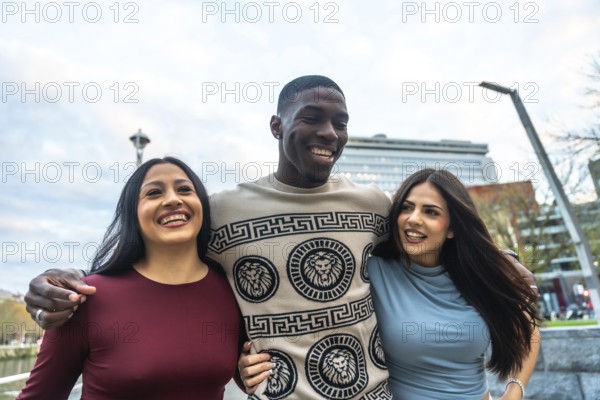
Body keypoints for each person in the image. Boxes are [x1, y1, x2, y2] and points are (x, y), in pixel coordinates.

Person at [24, 75, 535, 399]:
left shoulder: (374, 205)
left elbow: (435, 241)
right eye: (312, 118)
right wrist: (57, 283)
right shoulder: (220, 212)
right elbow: (158, 273)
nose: (329, 133)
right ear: (276, 125)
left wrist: (502, 258)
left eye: (340, 122)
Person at [18, 157, 244, 400]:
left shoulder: (232, 289)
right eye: (154, 192)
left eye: (184, 189)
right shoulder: (85, 298)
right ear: (132, 214)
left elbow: (247, 371)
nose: (173, 199)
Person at [367, 168, 540, 399]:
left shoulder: (478, 275)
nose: (413, 219)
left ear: (452, 229)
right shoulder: (372, 272)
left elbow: (527, 327)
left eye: (431, 212)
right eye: (406, 208)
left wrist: (514, 391)